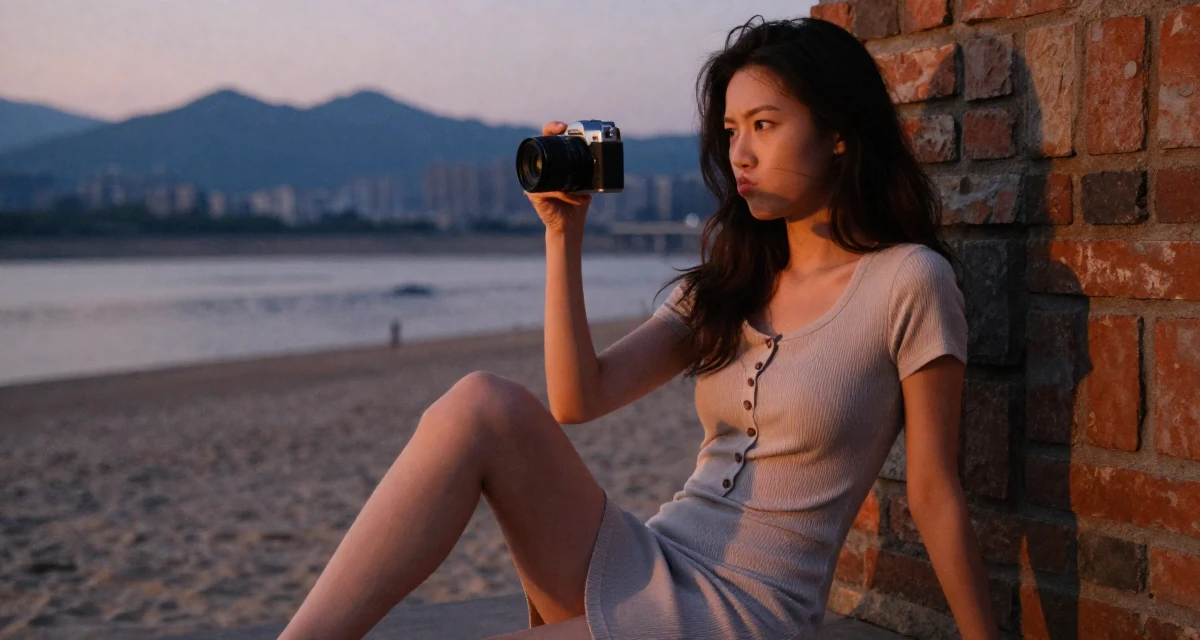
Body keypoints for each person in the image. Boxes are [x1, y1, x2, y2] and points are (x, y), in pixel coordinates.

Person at [277, 14, 1001, 640]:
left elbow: (935, 491)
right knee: (481, 403)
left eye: (764, 126)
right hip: (652, 559)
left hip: (746, 613)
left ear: (839, 135)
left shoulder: (908, 281)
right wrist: (564, 236)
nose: (739, 154)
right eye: (730, 130)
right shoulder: (727, 284)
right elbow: (576, 399)